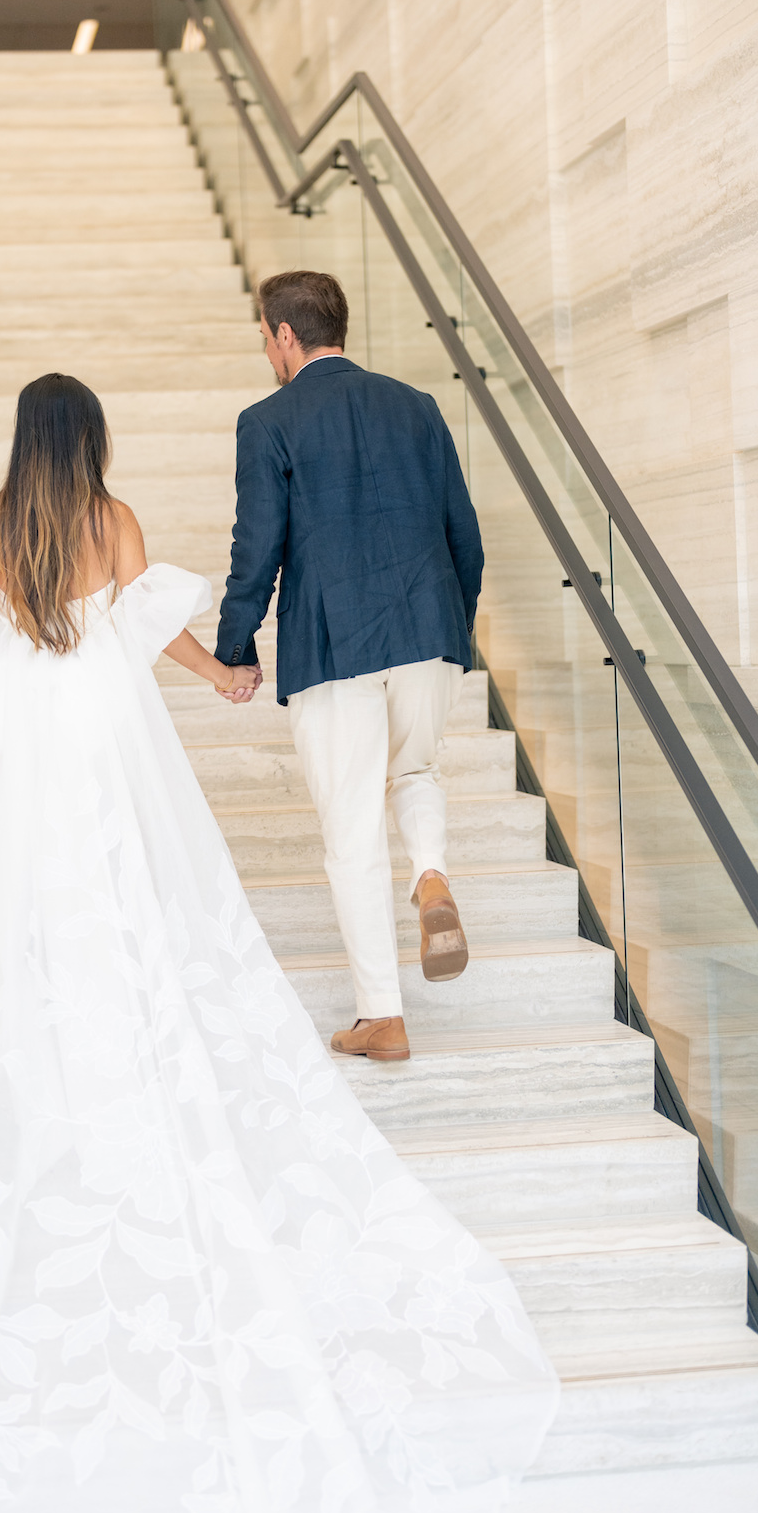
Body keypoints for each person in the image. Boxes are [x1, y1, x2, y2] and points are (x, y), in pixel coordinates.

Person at [0, 373, 555, 1513]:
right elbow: (146, 627)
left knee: (23, 884)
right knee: (129, 873)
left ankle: (39, 1019)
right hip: (97, 719)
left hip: (15, 724)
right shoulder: (111, 515)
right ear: (85, 437)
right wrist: (222, 673)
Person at [217, 273, 484, 1067]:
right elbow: (464, 535)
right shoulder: (418, 405)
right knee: (418, 769)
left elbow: (256, 545)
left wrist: (236, 646)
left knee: (351, 831)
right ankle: (431, 875)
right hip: (428, 628)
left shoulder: (268, 420)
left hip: (337, 645)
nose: (267, 350)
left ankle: (383, 1016)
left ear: (285, 336)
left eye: (266, 337)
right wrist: (449, 629)